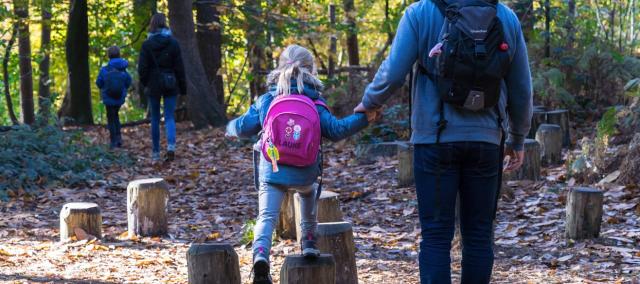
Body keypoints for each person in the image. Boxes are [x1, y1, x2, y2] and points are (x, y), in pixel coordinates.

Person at [354, 0, 533, 283]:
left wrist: (369, 102)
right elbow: (521, 86)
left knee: (436, 235)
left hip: (434, 138)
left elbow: (394, 72)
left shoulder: (421, 12)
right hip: (487, 140)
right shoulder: (505, 16)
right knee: (478, 235)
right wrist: (518, 138)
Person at [226, 45, 376, 284]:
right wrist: (364, 117)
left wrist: (230, 128)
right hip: (305, 172)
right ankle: (308, 242)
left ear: (279, 68)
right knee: (307, 194)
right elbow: (337, 130)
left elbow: (244, 127)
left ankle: (261, 256)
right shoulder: (315, 101)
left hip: (273, 171)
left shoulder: (267, 99)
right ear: (311, 70)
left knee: (266, 216)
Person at [138, 13, 186, 162]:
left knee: (155, 119)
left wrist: (145, 83)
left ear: (152, 25)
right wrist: (182, 87)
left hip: (153, 84)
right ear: (164, 23)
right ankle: (171, 146)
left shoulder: (147, 44)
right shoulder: (173, 43)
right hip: (170, 82)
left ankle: (155, 152)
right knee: (170, 116)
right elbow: (179, 67)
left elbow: (142, 68)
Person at [96, 45, 131, 149]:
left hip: (108, 97)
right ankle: (119, 138)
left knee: (111, 118)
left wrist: (105, 87)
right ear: (119, 54)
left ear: (109, 56)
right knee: (116, 116)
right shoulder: (123, 69)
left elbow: (99, 83)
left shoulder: (105, 69)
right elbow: (128, 82)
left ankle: (113, 141)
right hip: (119, 97)